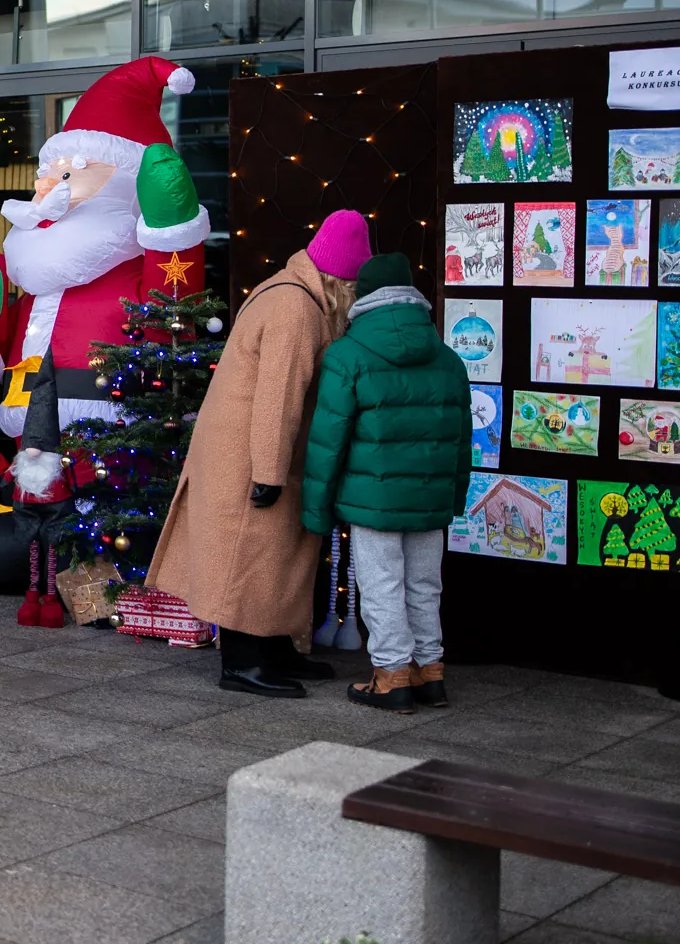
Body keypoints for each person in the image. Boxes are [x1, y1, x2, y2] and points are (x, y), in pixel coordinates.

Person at [150, 210, 368, 698]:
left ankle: (274, 650)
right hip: (251, 454)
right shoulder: (296, 308)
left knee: (275, 557)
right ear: (341, 280)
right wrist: (269, 471)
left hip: (254, 448)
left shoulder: (290, 291)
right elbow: (279, 397)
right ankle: (243, 663)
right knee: (249, 555)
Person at [300, 253, 472, 713]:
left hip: (371, 498)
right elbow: (461, 442)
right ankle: (429, 672)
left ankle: (391, 676)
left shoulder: (346, 355)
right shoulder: (450, 360)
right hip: (430, 499)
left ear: (363, 296)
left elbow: (327, 441)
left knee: (381, 585)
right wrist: (455, 496)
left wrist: (316, 509)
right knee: (424, 584)